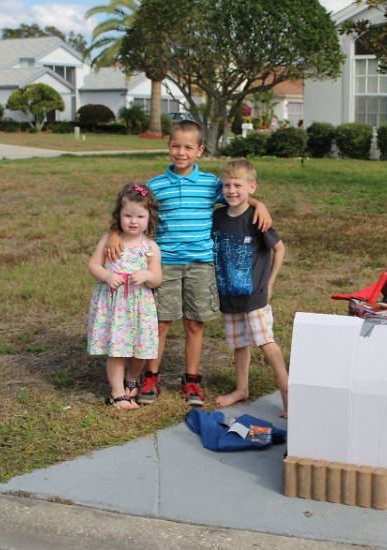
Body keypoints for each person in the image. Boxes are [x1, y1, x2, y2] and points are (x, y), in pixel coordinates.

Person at [104, 120, 271, 406]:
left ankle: (191, 380)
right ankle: (151, 377)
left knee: (194, 324)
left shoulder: (210, 185)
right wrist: (114, 233)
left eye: (188, 147)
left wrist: (259, 204)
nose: (181, 152)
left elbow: (237, 195)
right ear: (168, 147)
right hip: (164, 264)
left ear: (200, 150)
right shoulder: (155, 186)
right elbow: (134, 212)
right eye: (175, 146)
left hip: (200, 264)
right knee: (160, 323)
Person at [212, 159, 288, 418]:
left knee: (266, 343)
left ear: (252, 187)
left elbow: (279, 249)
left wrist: (270, 283)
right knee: (239, 344)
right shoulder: (217, 216)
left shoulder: (256, 218)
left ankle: (288, 393)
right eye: (227, 185)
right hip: (228, 294)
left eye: (238, 185)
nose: (232, 190)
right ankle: (241, 389)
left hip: (254, 296)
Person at [88, 183, 162, 410]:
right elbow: (93, 264)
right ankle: (118, 392)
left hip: (140, 306)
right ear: (118, 215)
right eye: (127, 215)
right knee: (118, 350)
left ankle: (132, 380)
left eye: (140, 216)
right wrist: (106, 275)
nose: (133, 221)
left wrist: (147, 274)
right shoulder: (109, 240)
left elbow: (158, 278)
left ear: (149, 218)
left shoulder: (150, 247)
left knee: (141, 350)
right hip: (115, 305)